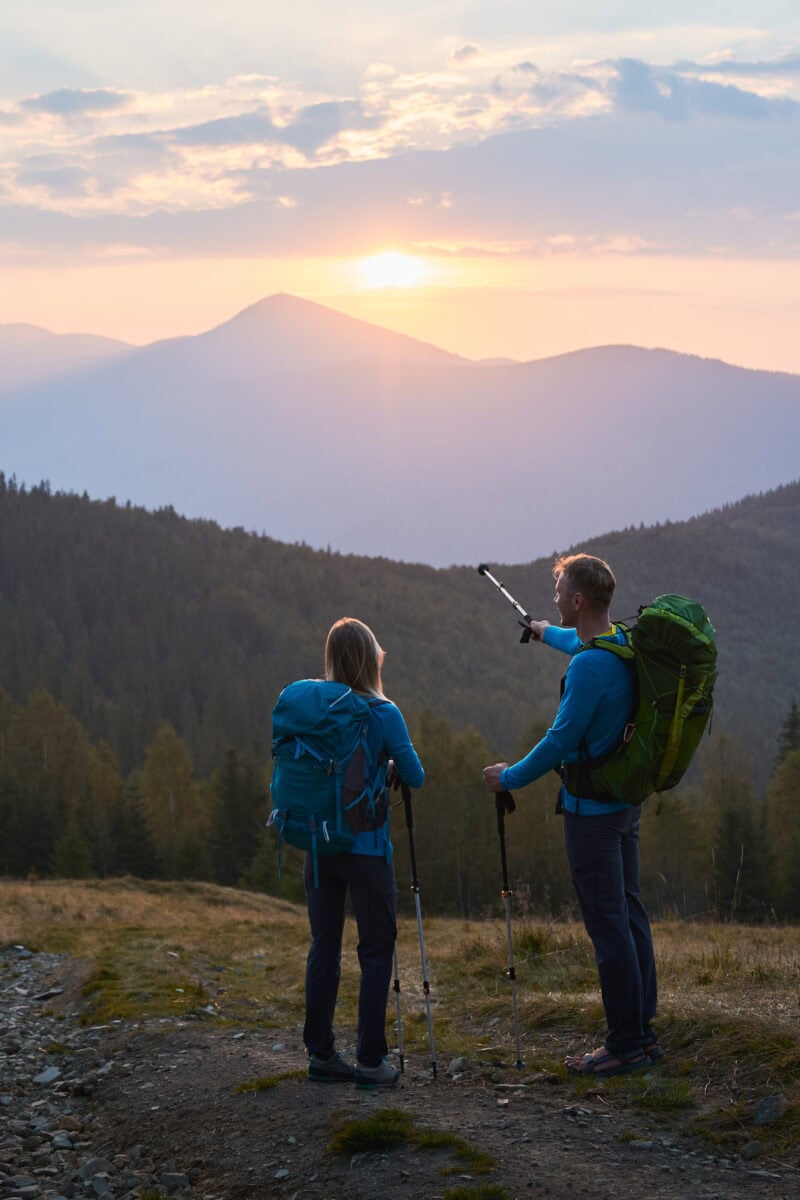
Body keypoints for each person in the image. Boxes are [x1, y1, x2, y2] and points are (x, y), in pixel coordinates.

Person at [482, 554, 658, 1078]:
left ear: (578, 600)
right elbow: (578, 643)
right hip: (623, 804)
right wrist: (543, 632)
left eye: (559, 591)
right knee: (629, 915)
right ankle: (642, 1033)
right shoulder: (619, 642)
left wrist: (510, 777)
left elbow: (559, 741)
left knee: (608, 928)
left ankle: (624, 1045)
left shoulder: (587, 667)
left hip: (591, 816)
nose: (554, 596)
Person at [303, 617, 424, 1088]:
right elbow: (415, 776)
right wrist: (387, 762)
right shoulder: (383, 713)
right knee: (375, 950)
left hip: (318, 843)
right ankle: (371, 1062)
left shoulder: (315, 708)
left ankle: (321, 1054)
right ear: (371, 659)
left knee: (324, 946)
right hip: (367, 849)